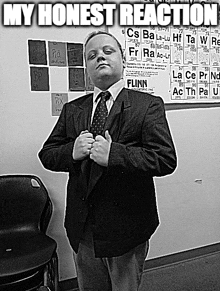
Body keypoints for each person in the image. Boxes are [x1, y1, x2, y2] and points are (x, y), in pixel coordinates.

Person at [38, 31, 177, 291]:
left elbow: (165, 159)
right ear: (86, 67)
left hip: (127, 228)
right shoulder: (73, 109)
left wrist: (114, 154)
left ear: (123, 60)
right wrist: (72, 151)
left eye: (107, 51)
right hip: (82, 229)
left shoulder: (147, 105)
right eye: (92, 55)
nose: (99, 56)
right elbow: (47, 154)